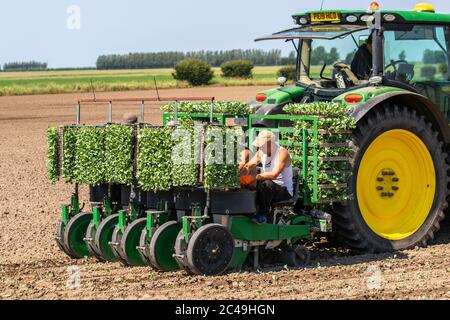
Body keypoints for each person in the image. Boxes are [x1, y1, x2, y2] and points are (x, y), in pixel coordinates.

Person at [241, 131, 293, 224]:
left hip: (283, 191)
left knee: (266, 184)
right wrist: (242, 171)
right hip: (268, 188)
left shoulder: (282, 153)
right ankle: (248, 212)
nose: (259, 147)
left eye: (262, 145)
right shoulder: (261, 152)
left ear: (270, 143)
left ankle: (262, 215)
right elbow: (249, 165)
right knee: (250, 185)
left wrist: (254, 177)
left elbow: (274, 175)